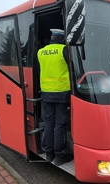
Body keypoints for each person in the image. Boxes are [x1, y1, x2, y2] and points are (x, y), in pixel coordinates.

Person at [37, 29, 73, 166]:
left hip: (46, 93)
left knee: (48, 123)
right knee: (60, 125)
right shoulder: (64, 50)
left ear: (52, 37)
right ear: (62, 38)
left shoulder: (41, 52)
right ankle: (59, 156)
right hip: (62, 93)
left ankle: (49, 154)